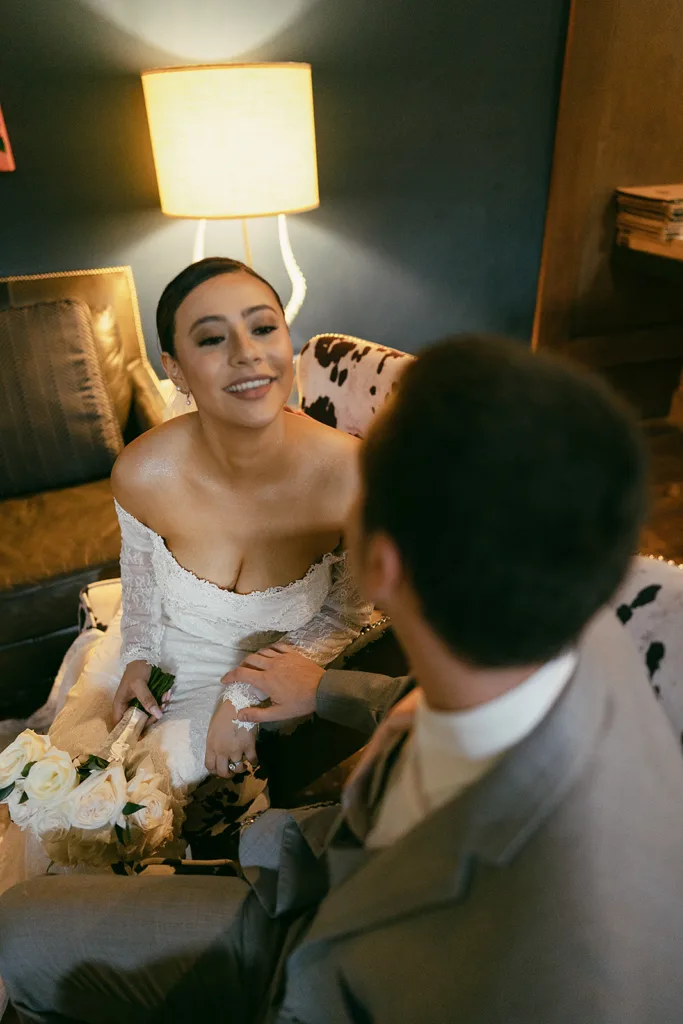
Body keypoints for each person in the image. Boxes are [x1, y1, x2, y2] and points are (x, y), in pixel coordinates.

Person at [3, 334, 683, 1024]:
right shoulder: (591, 639)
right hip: (313, 869)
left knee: (17, 933)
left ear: (376, 562)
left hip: (306, 960)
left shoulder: (504, 951)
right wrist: (324, 689)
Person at [0, 257, 372, 881]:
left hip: (267, 672)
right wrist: (140, 652)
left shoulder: (353, 475)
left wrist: (242, 691)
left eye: (263, 328)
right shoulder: (142, 471)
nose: (247, 353)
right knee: (59, 808)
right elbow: (142, 578)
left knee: (144, 820)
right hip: (159, 652)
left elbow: (350, 612)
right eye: (210, 338)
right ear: (175, 368)